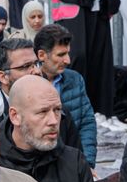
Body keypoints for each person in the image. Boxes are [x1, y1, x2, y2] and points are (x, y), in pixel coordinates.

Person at [49, 0, 119, 117]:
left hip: (97, 14)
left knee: (100, 61)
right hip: (72, 18)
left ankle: (101, 112)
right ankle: (72, 111)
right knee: (76, 58)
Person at [0, 38, 85, 158]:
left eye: (36, 64)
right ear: (3, 77)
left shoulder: (59, 111)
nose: (36, 71)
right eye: (25, 66)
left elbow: (75, 158)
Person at [35, 24, 97, 168]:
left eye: (68, 53)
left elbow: (87, 123)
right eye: (61, 55)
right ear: (42, 55)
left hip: (72, 163)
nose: (68, 60)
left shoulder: (75, 80)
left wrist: (86, 163)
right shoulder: (29, 85)